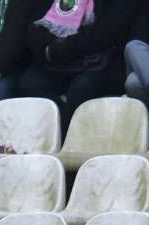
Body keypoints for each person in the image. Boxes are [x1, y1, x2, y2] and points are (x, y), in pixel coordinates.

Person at [18, 0, 140, 135]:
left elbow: (103, 35)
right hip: (58, 64)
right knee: (29, 82)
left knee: (82, 87)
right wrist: (44, 48)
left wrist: (56, 50)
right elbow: (35, 24)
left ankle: (65, 141)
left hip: (100, 65)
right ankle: (56, 131)